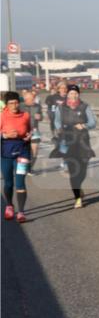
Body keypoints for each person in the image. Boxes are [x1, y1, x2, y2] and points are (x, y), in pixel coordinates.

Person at [52, 85, 97, 208]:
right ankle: (77, 198)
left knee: (82, 171)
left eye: (75, 93)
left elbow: (93, 123)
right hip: (68, 141)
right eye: (71, 93)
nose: (73, 95)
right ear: (67, 94)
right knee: (73, 172)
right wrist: (59, 130)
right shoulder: (61, 107)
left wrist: (84, 126)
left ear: (78, 94)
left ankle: (79, 186)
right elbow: (56, 121)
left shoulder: (85, 106)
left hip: (83, 141)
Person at [1, 91, 33, 222]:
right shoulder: (2, 116)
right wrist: (5, 136)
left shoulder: (25, 115)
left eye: (16, 102)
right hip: (6, 153)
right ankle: (9, 205)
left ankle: (21, 212)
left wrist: (30, 135)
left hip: (22, 153)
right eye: (11, 103)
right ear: (6, 105)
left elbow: (31, 130)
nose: (14, 105)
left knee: (20, 182)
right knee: (8, 183)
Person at [20, 89, 44, 171]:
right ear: (26, 100)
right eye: (32, 99)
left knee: (35, 151)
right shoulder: (20, 106)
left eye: (34, 98)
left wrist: (40, 117)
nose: (34, 100)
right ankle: (22, 168)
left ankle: (30, 168)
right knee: (23, 152)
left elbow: (41, 117)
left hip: (34, 130)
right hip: (23, 132)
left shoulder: (38, 106)